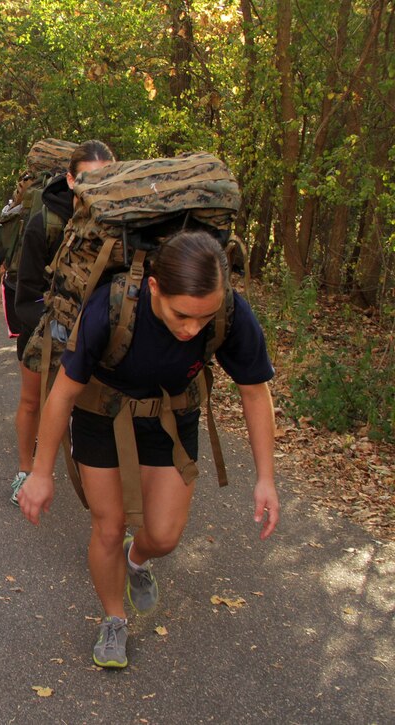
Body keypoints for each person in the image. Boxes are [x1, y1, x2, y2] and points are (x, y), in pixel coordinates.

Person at [17, 229, 279, 669]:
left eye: (204, 318)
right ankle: (114, 620)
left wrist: (265, 478)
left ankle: (136, 561)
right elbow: (62, 394)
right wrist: (41, 472)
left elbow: (255, 392)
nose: (192, 329)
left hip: (173, 417)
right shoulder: (112, 306)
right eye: (182, 316)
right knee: (109, 525)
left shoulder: (230, 313)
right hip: (102, 413)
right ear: (154, 286)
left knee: (163, 535)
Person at [0, 141, 115, 504]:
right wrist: (55, 330)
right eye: (89, 179)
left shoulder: (118, 217)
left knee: (91, 406)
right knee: (33, 400)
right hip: (42, 318)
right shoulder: (42, 221)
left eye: (106, 177)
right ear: (70, 179)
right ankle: (25, 471)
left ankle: (106, 494)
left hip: (96, 326)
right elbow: (24, 291)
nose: (98, 186)